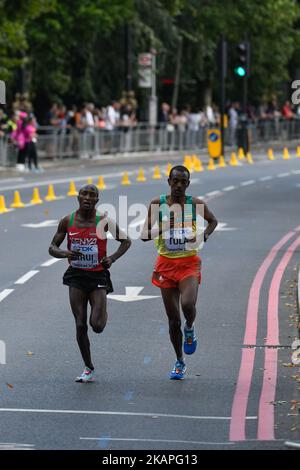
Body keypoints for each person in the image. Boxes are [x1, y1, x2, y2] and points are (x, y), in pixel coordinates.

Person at [141, 166, 218, 380]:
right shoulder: (158, 204)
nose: (179, 185)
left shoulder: (195, 204)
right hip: (165, 265)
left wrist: (204, 236)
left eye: (183, 181)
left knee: (187, 305)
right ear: (168, 181)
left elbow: (213, 221)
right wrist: (164, 228)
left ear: (188, 184)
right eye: (175, 181)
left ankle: (191, 327)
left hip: (189, 263)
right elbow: (144, 235)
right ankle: (179, 361)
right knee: (173, 321)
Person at [49, 184, 131, 382]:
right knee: (79, 325)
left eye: (92, 195)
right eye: (84, 194)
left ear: (97, 200)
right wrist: (64, 253)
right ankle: (88, 367)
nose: (87, 197)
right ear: (78, 197)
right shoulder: (67, 221)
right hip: (76, 276)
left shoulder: (103, 221)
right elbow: (52, 247)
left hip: (97, 277)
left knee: (97, 325)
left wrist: (111, 258)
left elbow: (126, 241)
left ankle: (101, 312)